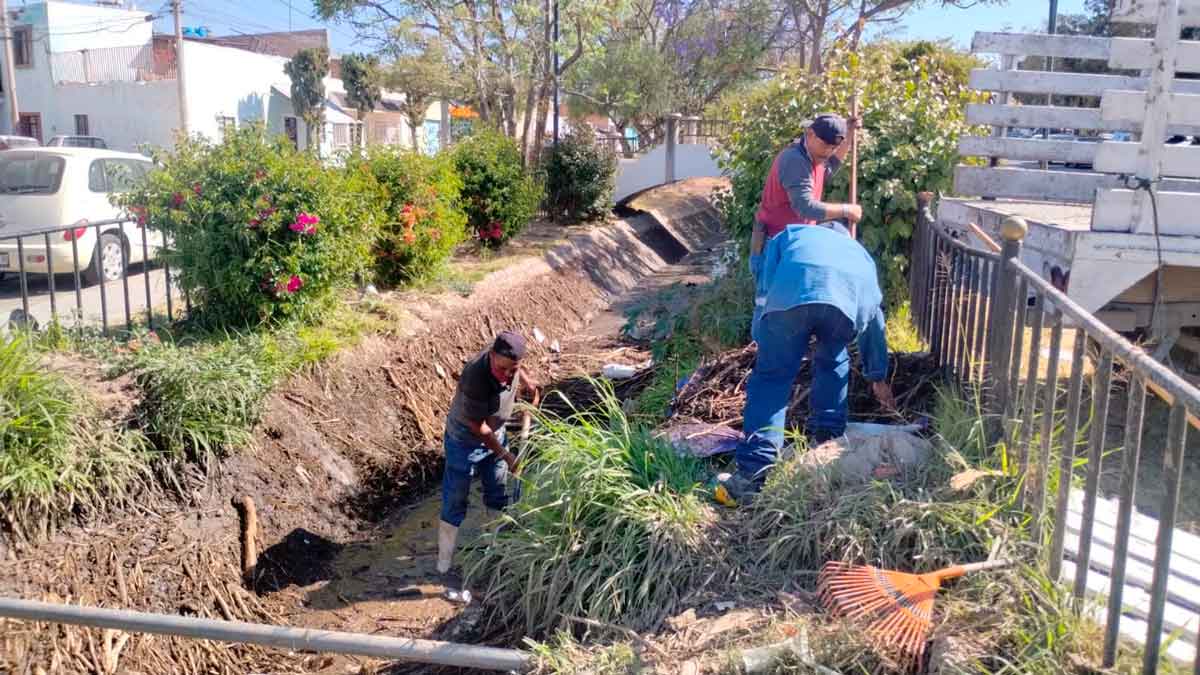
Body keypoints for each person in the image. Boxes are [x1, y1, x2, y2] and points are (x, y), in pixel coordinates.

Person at [718, 222, 896, 506]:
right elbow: (874, 320)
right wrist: (878, 375)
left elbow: (764, 290)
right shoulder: (859, 253)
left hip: (792, 297)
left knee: (773, 378)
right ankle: (827, 445)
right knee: (833, 361)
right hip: (844, 308)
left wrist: (764, 337)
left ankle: (754, 475)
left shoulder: (791, 234)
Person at [437, 331, 540, 579]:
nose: (507, 376)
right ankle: (443, 563)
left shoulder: (508, 360)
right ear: (492, 357)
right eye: (503, 369)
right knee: (456, 498)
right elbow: (478, 428)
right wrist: (506, 455)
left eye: (513, 370)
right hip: (465, 441)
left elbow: (516, 368)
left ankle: (497, 550)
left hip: (495, 432)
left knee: (498, 491)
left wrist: (526, 383)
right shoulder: (475, 376)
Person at [749, 113, 863, 281]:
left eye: (833, 148)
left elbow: (831, 165)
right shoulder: (795, 160)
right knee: (771, 305)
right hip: (774, 248)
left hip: (795, 243)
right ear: (810, 134)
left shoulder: (816, 156)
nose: (829, 152)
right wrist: (846, 210)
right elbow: (805, 207)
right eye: (825, 145)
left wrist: (850, 133)